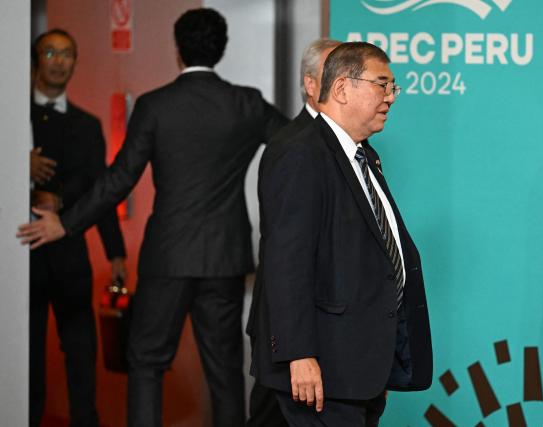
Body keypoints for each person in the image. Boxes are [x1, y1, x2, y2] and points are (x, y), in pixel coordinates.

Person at [18, 8, 288, 427]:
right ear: (221, 50)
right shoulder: (247, 103)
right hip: (224, 259)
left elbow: (118, 180)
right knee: (226, 373)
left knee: (146, 364)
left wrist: (66, 222)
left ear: (178, 50)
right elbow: (295, 146)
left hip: (167, 257)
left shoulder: (155, 106)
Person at [250, 41, 433, 426]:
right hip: (323, 368)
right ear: (341, 89)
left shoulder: (362, 154)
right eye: (381, 85)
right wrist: (298, 355)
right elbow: (287, 261)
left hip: (356, 368)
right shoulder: (302, 152)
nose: (390, 97)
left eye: (393, 87)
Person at [28, 29, 127, 427]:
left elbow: (99, 192)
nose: (58, 60)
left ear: (75, 62)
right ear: (36, 60)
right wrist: (18, 167)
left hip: (69, 255)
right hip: (19, 255)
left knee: (81, 351)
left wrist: (115, 253)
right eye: (49, 51)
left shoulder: (87, 125)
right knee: (26, 351)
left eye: (66, 53)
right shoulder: (11, 118)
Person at [246, 37, 341, 427]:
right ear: (310, 84)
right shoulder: (296, 146)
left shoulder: (343, 143)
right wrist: (296, 348)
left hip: (319, 328)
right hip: (290, 332)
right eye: (334, 76)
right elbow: (286, 254)